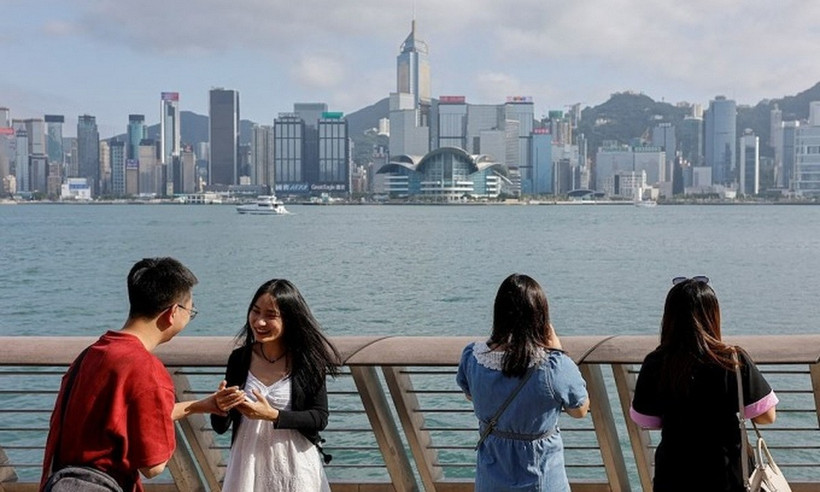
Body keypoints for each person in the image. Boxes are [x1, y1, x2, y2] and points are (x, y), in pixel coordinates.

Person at [40, 257, 235, 492]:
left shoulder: (92, 353)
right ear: (173, 312)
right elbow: (153, 465)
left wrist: (199, 405)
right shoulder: (147, 370)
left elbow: (121, 419)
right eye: (190, 310)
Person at [630, 276, 779, 491]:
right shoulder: (733, 359)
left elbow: (646, 420)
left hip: (673, 474)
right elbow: (767, 416)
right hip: (726, 474)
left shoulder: (656, 362)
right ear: (713, 316)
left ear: (669, 317)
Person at [456, 273, 590, 492]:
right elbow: (580, 410)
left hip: (491, 474)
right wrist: (557, 349)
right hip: (541, 473)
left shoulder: (473, 356)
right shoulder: (553, 365)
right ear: (540, 318)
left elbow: (470, 394)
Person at [211, 279, 341, 492]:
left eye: (270, 315)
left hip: (295, 468)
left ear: (290, 319)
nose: (259, 322)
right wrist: (221, 406)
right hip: (247, 467)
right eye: (255, 311)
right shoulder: (239, 358)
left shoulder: (308, 361)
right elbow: (220, 426)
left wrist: (272, 414)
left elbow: (319, 417)